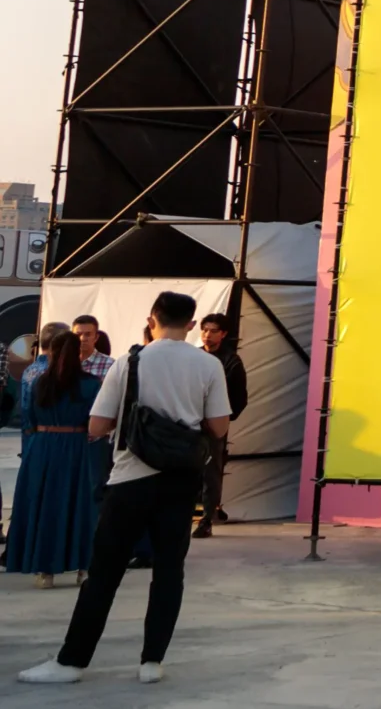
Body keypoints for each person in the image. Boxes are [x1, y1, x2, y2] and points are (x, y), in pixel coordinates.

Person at [17, 292, 230, 686]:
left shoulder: (131, 361)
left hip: (131, 477)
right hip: (181, 480)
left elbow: (98, 425)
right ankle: (152, 662)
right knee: (169, 571)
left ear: (152, 319)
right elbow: (219, 427)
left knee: (104, 573)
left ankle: (72, 662)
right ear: (191, 323)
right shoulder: (209, 364)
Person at [6, 328, 102, 588]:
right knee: (79, 505)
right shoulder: (91, 383)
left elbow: (27, 418)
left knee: (44, 504)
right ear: (78, 352)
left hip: (42, 446)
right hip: (76, 446)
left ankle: (45, 571)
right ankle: (84, 568)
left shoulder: (38, 381)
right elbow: (96, 423)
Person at [193, 312, 249, 538]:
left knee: (211, 471)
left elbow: (239, 397)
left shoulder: (230, 361)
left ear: (223, 334)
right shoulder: (193, 357)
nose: (207, 335)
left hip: (212, 424)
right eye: (205, 330)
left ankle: (207, 518)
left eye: (213, 331)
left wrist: (222, 419)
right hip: (188, 421)